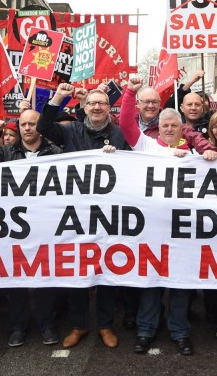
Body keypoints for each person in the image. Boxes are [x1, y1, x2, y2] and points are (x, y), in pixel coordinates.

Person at [119, 76, 216, 356]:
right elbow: (126, 122)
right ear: (157, 129)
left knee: (180, 283)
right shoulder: (146, 146)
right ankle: (145, 330)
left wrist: (208, 153)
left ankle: (180, 332)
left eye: (174, 125)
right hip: (151, 229)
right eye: (165, 125)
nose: (170, 129)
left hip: (183, 230)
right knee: (151, 282)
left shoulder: (193, 155)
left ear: (182, 129)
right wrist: (130, 92)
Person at [38, 82, 130, 350]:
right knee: (77, 269)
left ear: (108, 108)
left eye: (102, 103)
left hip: (109, 212)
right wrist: (57, 97)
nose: (97, 107)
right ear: (84, 107)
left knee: (106, 269)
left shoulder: (120, 134)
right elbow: (44, 127)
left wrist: (119, 158)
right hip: (76, 213)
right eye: (92, 103)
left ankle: (105, 325)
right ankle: (79, 325)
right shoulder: (71, 131)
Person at [0, 109, 61, 348]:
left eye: (32, 124)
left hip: (45, 224)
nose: (27, 128)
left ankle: (47, 324)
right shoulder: (7, 152)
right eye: (23, 124)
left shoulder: (56, 153)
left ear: (40, 126)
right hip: (13, 226)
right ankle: (18, 326)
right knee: (16, 278)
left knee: (45, 277)